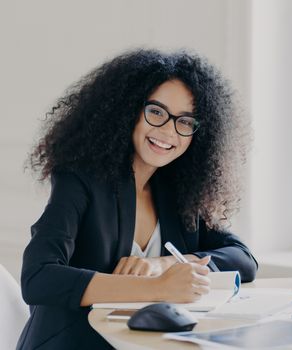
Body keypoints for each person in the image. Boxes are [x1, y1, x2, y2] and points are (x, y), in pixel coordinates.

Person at [17, 49, 258, 349]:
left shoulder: (178, 191)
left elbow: (243, 258)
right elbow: (38, 278)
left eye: (184, 121)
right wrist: (155, 288)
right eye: (156, 112)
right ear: (127, 109)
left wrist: (163, 266)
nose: (169, 131)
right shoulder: (78, 179)